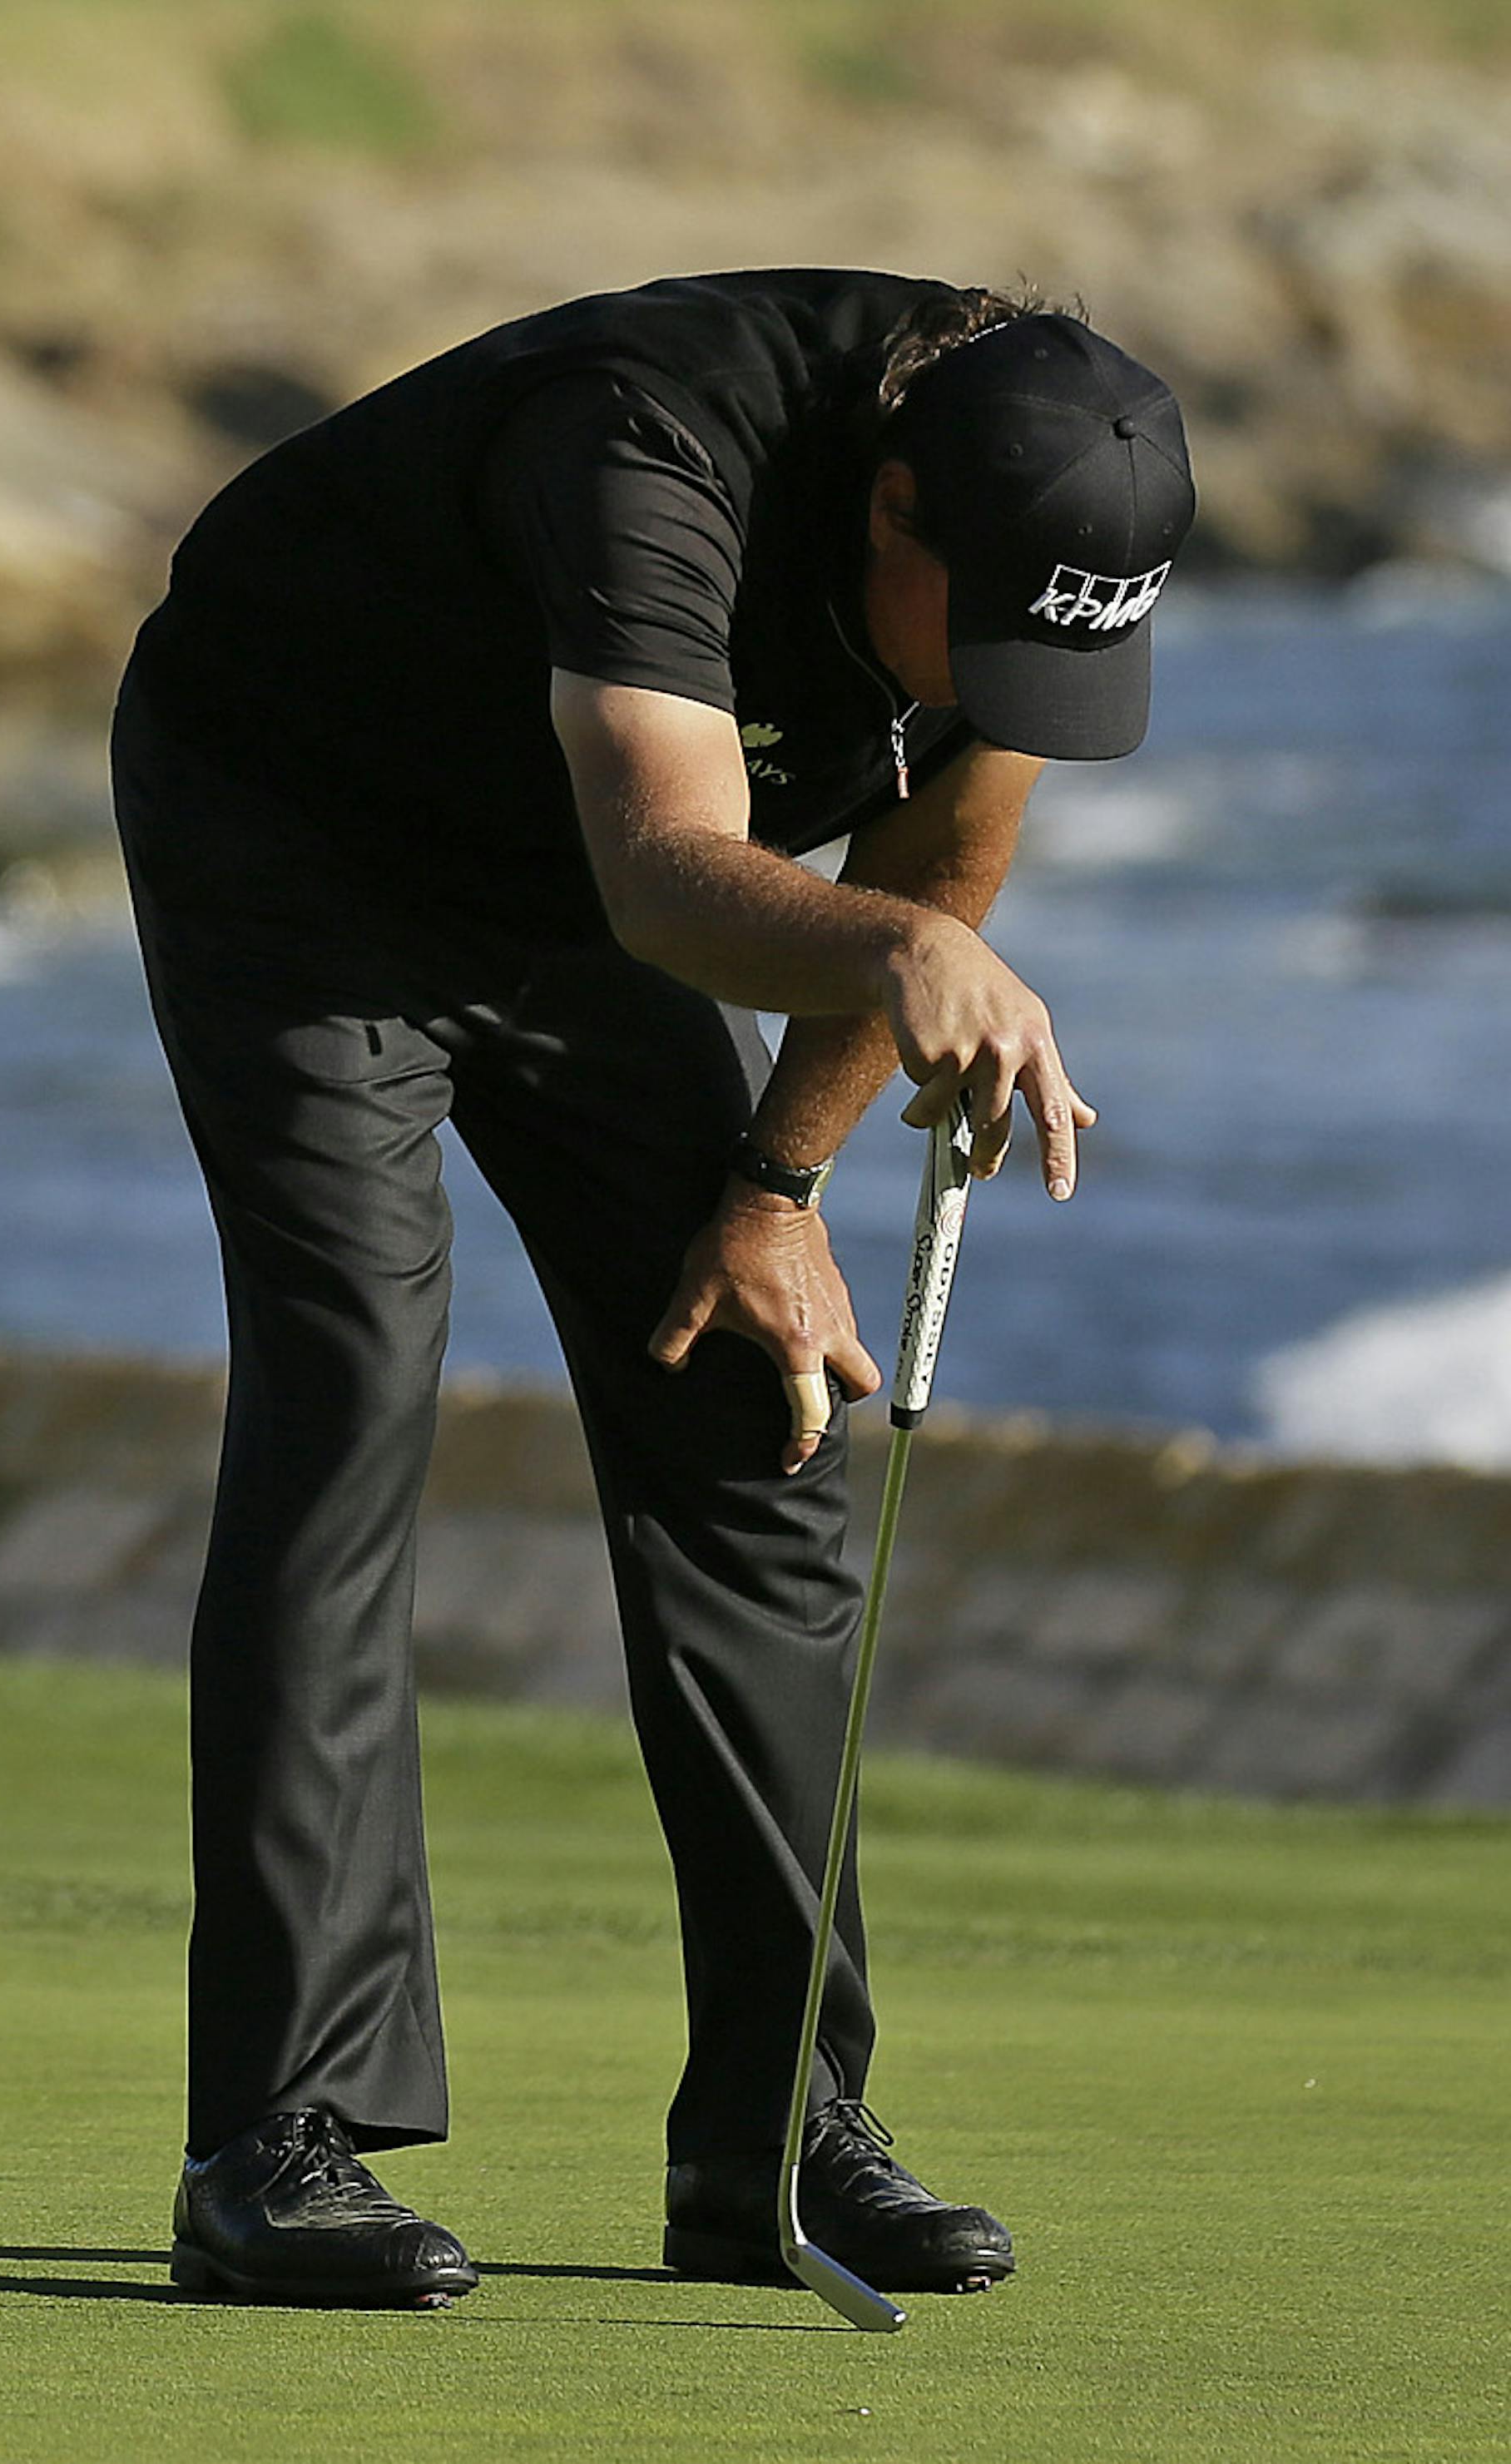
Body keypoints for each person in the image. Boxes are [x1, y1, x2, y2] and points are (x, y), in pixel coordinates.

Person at [110, 270, 1196, 2310]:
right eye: (965, 640)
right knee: (353, 1392)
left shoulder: (1053, 523)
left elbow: (945, 853)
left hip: (586, 881)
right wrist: (883, 952)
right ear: (888, 513)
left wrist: (779, 1183)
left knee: (755, 1405)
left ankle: (778, 2139)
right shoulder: (641, 450)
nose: (994, 693)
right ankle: (271, 2139)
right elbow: (665, 871)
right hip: (309, 836)